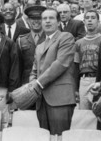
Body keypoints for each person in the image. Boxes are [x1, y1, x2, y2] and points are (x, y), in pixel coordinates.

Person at [29, 8, 76, 137]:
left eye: (51, 18)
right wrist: (32, 82)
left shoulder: (66, 37)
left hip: (60, 99)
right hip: (41, 99)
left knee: (60, 137)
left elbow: (60, 64)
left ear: (58, 21)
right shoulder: (40, 45)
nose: (47, 21)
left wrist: (38, 83)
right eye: (44, 19)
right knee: (45, 136)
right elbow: (34, 69)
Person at [74, 10, 101, 109]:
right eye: (87, 18)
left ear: (98, 22)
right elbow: (76, 66)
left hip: (98, 78)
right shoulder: (78, 43)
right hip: (84, 79)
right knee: (84, 113)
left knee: (99, 111)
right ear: (84, 22)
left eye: (93, 18)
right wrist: (76, 87)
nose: (90, 20)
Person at [17, 5, 46, 87]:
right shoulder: (21, 40)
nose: (36, 21)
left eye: (39, 18)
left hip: (46, 81)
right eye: (33, 18)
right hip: (26, 83)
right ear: (28, 20)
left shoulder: (50, 38)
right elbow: (18, 66)